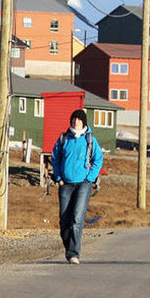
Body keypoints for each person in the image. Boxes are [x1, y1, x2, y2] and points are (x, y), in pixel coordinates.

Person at [52, 109, 103, 264]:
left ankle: (74, 253)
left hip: (83, 184)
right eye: (73, 119)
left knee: (77, 219)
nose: (76, 122)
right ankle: (68, 247)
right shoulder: (64, 139)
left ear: (84, 122)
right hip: (65, 184)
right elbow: (55, 158)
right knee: (64, 220)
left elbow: (98, 159)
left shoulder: (90, 140)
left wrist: (90, 179)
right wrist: (59, 177)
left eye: (79, 120)